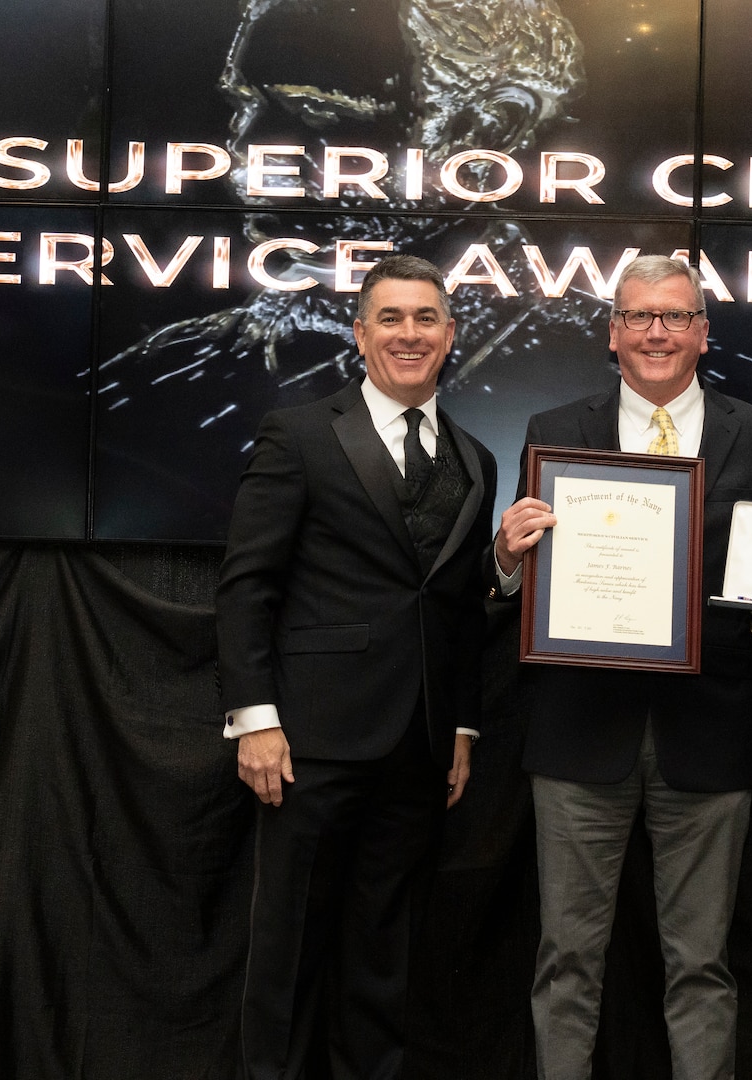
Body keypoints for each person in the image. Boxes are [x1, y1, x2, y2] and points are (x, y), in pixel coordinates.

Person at [491, 255, 752, 1080]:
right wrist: (505, 555)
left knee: (702, 967)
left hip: (708, 735)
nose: (657, 333)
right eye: (640, 316)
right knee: (565, 960)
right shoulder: (553, 431)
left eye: (675, 317)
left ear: (703, 334)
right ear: (613, 333)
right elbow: (513, 586)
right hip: (579, 734)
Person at [215, 254, 497, 1080]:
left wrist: (464, 725)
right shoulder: (298, 434)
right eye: (391, 318)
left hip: (418, 749)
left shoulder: (475, 459)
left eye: (426, 319)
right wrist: (254, 720)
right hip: (310, 742)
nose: (409, 334)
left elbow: (455, 609)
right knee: (289, 949)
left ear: (449, 335)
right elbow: (246, 586)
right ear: (359, 332)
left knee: (385, 955)